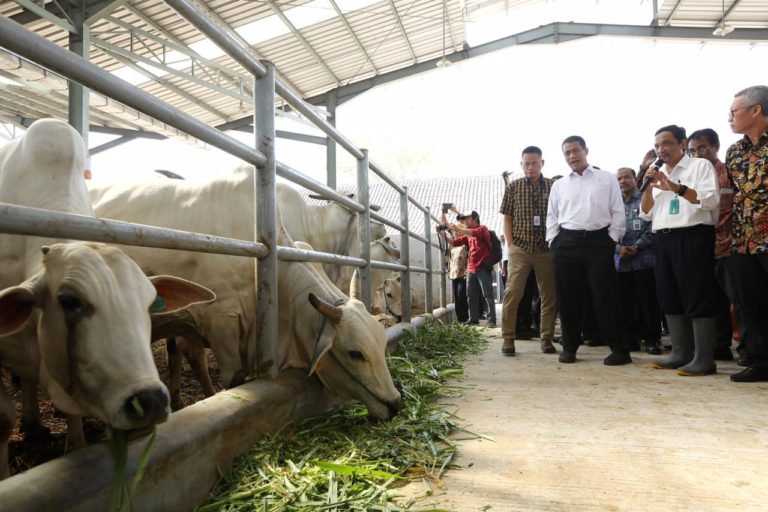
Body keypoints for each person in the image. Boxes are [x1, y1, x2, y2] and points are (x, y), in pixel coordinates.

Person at [640, 125, 719, 377]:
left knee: (697, 293)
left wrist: (675, 187)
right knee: (669, 295)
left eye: (667, 143)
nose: (661, 150)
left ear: (682, 143)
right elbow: (646, 213)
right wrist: (650, 185)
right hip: (663, 239)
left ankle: (704, 359)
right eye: (657, 146)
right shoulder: (658, 172)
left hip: (692, 235)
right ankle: (679, 353)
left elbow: (710, 200)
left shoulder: (699, 167)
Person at [546, 135, 631, 365]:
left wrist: (612, 239)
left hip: (598, 243)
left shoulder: (607, 179)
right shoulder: (559, 185)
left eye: (576, 150)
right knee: (568, 299)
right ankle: (570, 347)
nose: (572, 156)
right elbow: (552, 217)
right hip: (566, 244)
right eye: (567, 152)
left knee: (606, 297)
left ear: (586, 150)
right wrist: (554, 242)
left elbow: (617, 211)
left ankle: (620, 349)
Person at [725, 85, 768, 382]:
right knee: (751, 304)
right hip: (744, 241)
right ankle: (760, 362)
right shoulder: (735, 151)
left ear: (755, 110)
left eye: (733, 112)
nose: (729, 118)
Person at [499, 146, 558, 356]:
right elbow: (507, 217)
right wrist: (511, 245)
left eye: (535, 163)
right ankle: (508, 339)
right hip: (520, 248)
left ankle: (547, 338)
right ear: (521, 165)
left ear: (542, 163)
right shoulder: (513, 187)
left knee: (548, 295)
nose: (530, 167)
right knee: (512, 293)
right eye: (526, 164)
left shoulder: (554, 186)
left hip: (546, 249)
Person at [688, 128, 736, 361]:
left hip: (731, 245)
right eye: (692, 150)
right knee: (711, 298)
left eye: (702, 148)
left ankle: (749, 348)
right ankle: (719, 345)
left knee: (739, 299)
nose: (697, 154)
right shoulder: (690, 177)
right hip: (703, 244)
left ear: (716, 147)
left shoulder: (729, 171)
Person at [615, 167, 661, 355]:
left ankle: (651, 340)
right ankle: (630, 339)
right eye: (619, 178)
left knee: (648, 302)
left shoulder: (646, 197)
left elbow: (654, 225)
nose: (623, 181)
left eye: (627, 177)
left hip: (644, 259)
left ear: (635, 179)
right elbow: (605, 229)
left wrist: (637, 246)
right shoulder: (613, 203)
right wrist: (619, 249)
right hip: (621, 262)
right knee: (625, 303)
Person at [447, 211, 497, 328]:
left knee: (487, 294)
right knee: (471, 295)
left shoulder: (482, 229)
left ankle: (491, 320)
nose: (465, 221)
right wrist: (442, 234)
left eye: (467, 218)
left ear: (475, 218)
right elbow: (455, 242)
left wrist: (458, 228)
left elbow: (473, 232)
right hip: (471, 268)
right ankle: (473, 318)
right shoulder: (468, 234)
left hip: (483, 266)